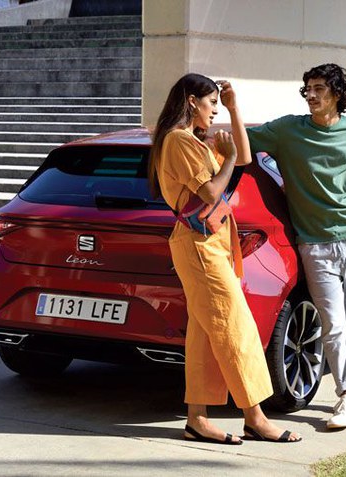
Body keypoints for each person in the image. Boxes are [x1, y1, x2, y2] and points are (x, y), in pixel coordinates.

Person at [148, 73, 302, 444]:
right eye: (213, 103)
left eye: (218, 104)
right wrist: (228, 157)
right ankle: (255, 417)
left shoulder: (195, 141)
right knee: (236, 327)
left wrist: (234, 109)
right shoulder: (177, 140)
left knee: (205, 334)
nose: (215, 110)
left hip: (211, 242)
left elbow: (245, 157)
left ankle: (197, 419)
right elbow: (211, 190)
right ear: (192, 101)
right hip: (199, 245)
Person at [247, 63, 346, 429]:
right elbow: (241, 141)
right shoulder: (286, 131)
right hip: (315, 244)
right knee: (333, 321)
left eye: (319, 89)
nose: (310, 95)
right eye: (308, 89)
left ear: (337, 94)